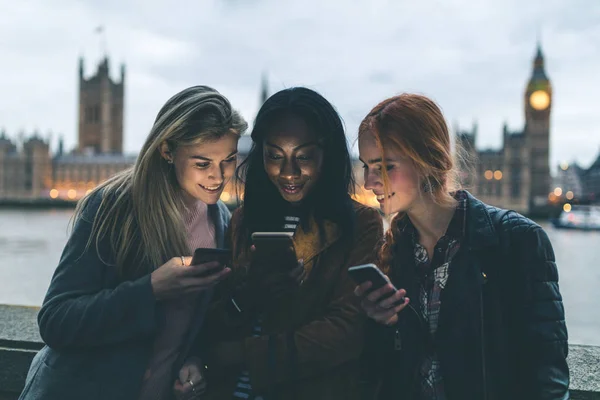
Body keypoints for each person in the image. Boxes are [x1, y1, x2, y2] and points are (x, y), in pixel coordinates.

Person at [18, 86, 247, 400]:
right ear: (167, 151)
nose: (218, 177)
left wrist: (194, 361)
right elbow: (56, 321)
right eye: (202, 164)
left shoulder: (220, 220)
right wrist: (150, 289)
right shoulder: (113, 206)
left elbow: (191, 322)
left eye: (229, 160)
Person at [354, 93, 569, 399]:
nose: (368, 182)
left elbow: (548, 380)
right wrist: (379, 324)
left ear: (428, 160)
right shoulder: (392, 252)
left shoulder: (517, 242)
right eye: (365, 166)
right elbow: (384, 372)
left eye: (384, 167)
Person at [196, 87, 383, 399]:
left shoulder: (362, 224)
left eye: (304, 157)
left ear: (328, 154)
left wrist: (245, 353)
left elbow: (345, 332)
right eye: (275, 156)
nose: (288, 173)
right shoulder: (243, 220)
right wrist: (249, 294)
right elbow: (214, 318)